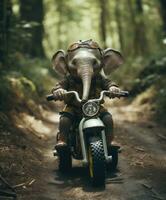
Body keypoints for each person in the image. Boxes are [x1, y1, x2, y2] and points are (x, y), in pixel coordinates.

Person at [51, 40, 121, 149]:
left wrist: (113, 88)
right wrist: (59, 91)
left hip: (95, 107)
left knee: (107, 118)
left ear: (104, 62)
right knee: (65, 119)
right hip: (74, 107)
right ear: (64, 64)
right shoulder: (69, 80)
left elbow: (108, 83)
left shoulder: (99, 78)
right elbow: (59, 86)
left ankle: (110, 140)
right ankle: (62, 139)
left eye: (93, 63)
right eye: (75, 63)